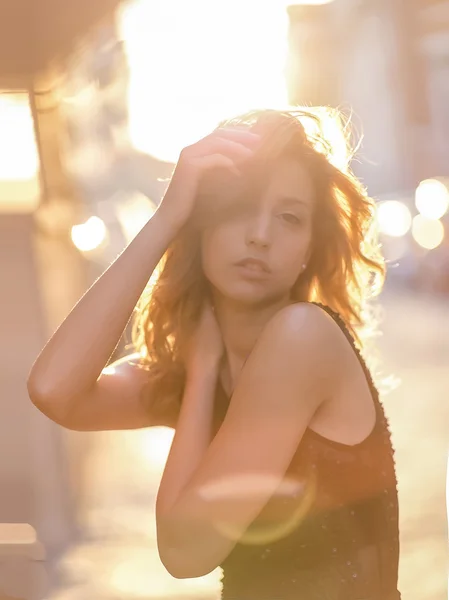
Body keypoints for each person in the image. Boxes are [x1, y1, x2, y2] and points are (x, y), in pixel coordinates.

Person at [28, 108, 401, 599]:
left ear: (310, 246)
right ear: (198, 226)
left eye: (289, 217)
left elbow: (186, 551)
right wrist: (166, 218)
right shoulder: (202, 366)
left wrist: (201, 376)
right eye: (237, 208)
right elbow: (55, 392)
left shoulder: (302, 337)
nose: (260, 235)